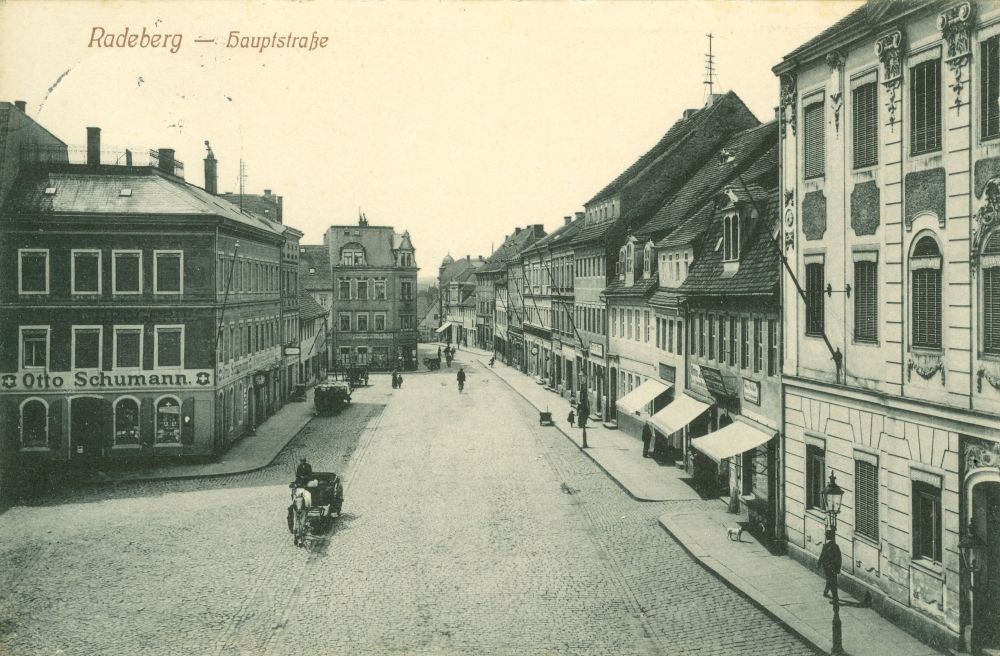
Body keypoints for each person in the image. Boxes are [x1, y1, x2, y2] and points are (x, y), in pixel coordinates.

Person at [818, 529, 842, 603]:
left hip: (828, 567)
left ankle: (835, 599)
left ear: (828, 537)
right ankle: (826, 591)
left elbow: (822, 556)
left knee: (832, 582)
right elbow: (839, 557)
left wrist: (819, 564)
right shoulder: (836, 546)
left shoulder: (826, 546)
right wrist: (838, 567)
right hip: (833, 567)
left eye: (826, 535)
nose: (826, 536)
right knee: (830, 580)